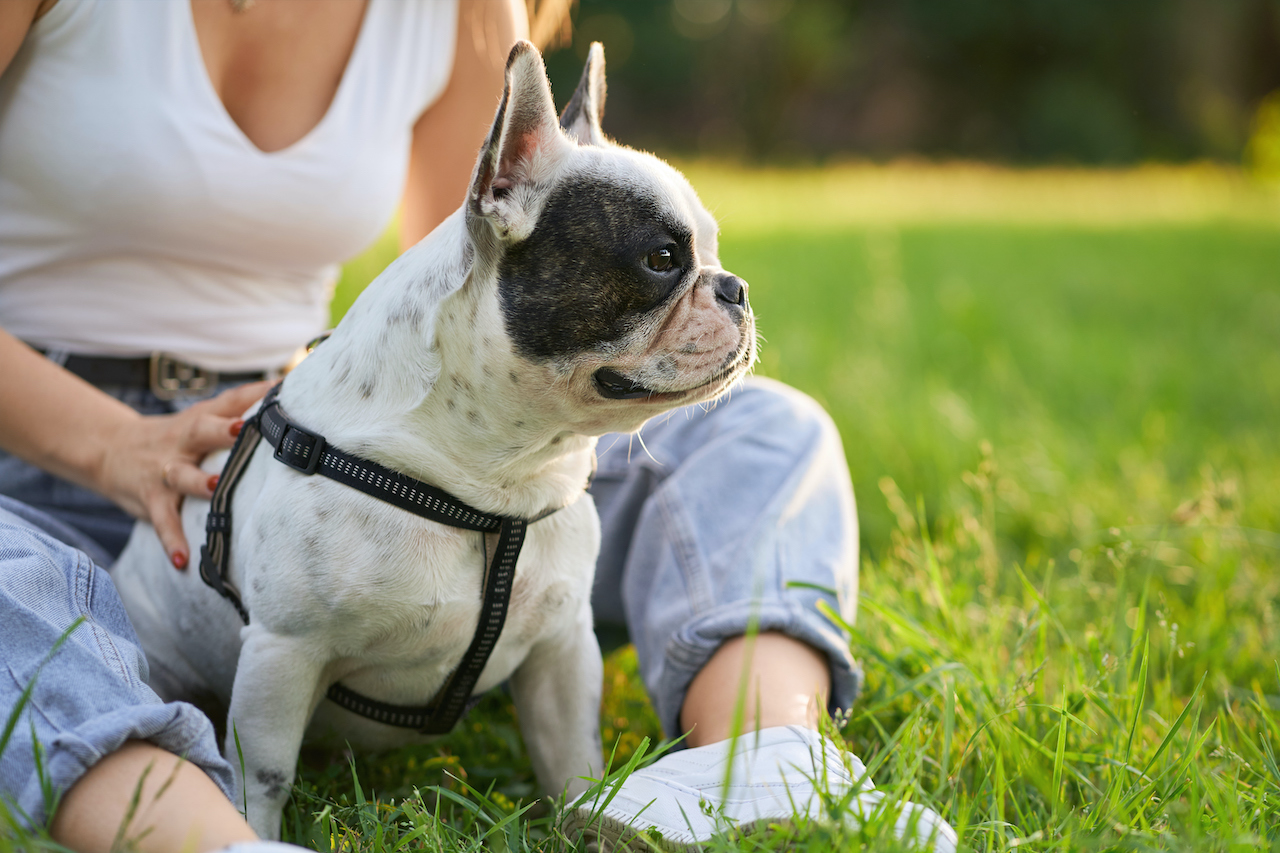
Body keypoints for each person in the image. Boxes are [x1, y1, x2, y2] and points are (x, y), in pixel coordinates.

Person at [0, 1, 955, 851]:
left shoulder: (457, 11)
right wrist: (113, 444)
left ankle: (761, 750)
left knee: (766, 431)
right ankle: (210, 838)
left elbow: (477, 266)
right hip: (41, 461)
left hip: (301, 461)